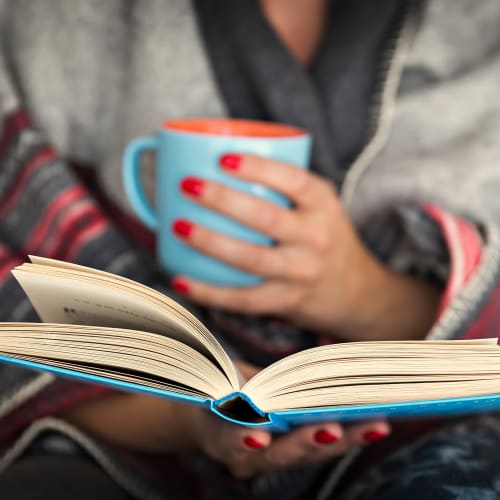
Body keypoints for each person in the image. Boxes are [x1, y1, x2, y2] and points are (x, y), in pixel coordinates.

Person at [0, 0, 500, 498]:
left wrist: (365, 294)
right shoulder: (47, 21)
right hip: (113, 443)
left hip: (430, 441)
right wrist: (182, 407)